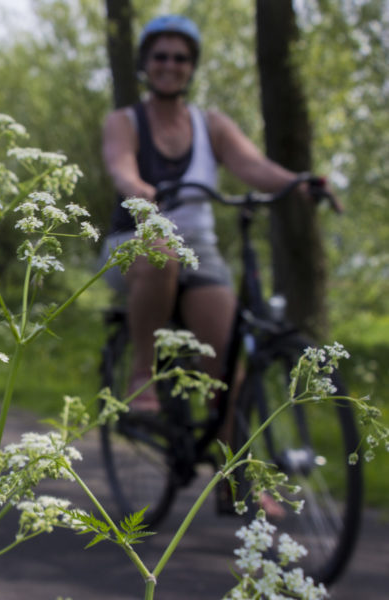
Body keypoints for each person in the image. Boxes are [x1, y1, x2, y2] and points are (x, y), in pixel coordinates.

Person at [100, 15, 328, 413]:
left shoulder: (212, 125)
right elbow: (119, 164)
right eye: (160, 57)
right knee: (161, 253)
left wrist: (299, 183)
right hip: (132, 244)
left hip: (200, 250)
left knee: (226, 377)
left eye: (180, 58)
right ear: (145, 63)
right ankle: (142, 377)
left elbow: (253, 166)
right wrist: (138, 189)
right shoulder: (124, 121)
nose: (170, 65)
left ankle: (232, 474)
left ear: (191, 66)